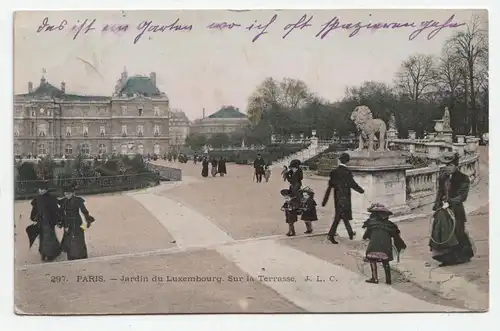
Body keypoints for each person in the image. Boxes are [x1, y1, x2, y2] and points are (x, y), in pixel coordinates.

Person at [429, 152, 474, 267]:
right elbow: (440, 193)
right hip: (442, 210)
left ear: (456, 166)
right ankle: (445, 258)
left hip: (456, 210)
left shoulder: (463, 178)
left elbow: (462, 196)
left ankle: (462, 256)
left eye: (450, 165)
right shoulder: (442, 177)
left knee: (458, 232)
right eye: (445, 165)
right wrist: (437, 206)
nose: (447, 168)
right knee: (441, 232)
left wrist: (449, 202)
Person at [322, 152, 364, 244]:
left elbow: (331, 185)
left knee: (343, 215)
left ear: (339, 160)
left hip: (337, 196)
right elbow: (352, 184)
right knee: (339, 216)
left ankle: (350, 233)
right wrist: (361, 190)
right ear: (347, 161)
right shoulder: (347, 172)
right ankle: (331, 234)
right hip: (345, 196)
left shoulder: (334, 172)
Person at [362, 203, 406, 284]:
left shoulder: (371, 223)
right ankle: (388, 280)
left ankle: (374, 278)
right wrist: (401, 245)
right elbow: (396, 236)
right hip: (386, 249)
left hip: (373, 248)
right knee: (385, 261)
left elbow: (365, 236)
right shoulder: (390, 225)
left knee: (372, 259)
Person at [58, 184, 95, 260]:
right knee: (69, 240)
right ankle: (72, 256)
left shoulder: (78, 200)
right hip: (68, 222)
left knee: (79, 238)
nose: (67, 195)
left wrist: (87, 220)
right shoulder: (64, 201)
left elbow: (84, 211)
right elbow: (61, 213)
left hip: (77, 222)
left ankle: (82, 255)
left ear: (72, 193)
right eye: (65, 194)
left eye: (68, 194)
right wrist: (62, 223)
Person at [28, 181, 63, 262]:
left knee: (49, 236)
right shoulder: (37, 199)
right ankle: (45, 252)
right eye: (40, 189)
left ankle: (50, 254)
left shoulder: (50, 198)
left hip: (50, 220)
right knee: (43, 237)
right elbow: (34, 210)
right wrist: (33, 217)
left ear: (46, 190)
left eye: (43, 189)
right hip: (41, 220)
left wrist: (58, 219)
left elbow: (55, 210)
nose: (41, 191)